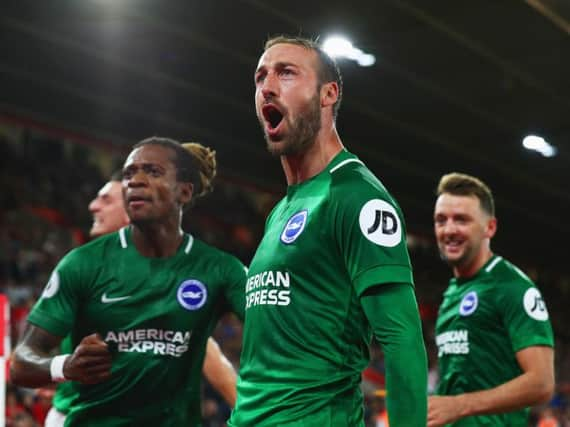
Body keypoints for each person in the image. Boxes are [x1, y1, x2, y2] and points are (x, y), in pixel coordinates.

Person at [229, 35, 427, 426]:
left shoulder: (358, 197)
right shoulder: (281, 210)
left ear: (328, 94)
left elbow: (402, 341)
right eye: (260, 77)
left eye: (286, 73)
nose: (267, 86)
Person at [11, 137, 247, 426]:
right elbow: (21, 362)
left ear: (185, 192)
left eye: (152, 171)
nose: (135, 180)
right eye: (128, 174)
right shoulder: (82, 263)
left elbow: (281, 336)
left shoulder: (219, 269)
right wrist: (66, 366)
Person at [428, 172, 555, 426]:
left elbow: (542, 382)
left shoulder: (512, 287)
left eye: (461, 220)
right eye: (441, 220)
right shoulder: (453, 291)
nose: (449, 229)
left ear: (490, 227)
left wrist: (458, 405)